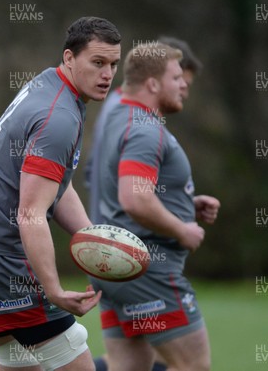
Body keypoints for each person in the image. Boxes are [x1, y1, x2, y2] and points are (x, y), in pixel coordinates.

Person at [0, 16, 121, 370]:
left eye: (113, 65)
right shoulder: (58, 118)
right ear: (69, 58)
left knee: (21, 365)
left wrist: (93, 238)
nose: (108, 74)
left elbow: (57, 185)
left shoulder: (50, 85)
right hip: (2, 258)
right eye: (98, 63)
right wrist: (55, 290)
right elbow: (30, 212)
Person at [89, 42, 219, 371]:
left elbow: (124, 187)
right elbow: (135, 198)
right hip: (149, 270)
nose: (184, 84)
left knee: (127, 368)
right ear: (152, 84)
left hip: (114, 268)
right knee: (193, 365)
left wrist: (185, 203)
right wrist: (182, 228)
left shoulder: (118, 116)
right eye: (177, 77)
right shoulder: (146, 129)